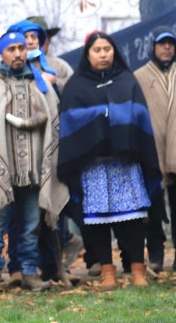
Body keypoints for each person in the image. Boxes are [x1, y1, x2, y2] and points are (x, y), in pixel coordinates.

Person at [0, 31, 68, 295]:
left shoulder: (39, 81)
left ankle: (29, 272)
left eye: (21, 48)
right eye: (12, 49)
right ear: (2, 53)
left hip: (33, 169)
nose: (18, 53)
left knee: (31, 224)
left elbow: (54, 115)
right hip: (0, 169)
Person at [58, 32, 162, 290]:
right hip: (93, 167)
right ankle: (108, 274)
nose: (103, 54)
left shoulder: (127, 80)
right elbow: (71, 120)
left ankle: (138, 271)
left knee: (132, 219)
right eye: (97, 49)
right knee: (97, 222)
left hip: (125, 164)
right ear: (88, 54)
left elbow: (139, 116)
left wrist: (111, 116)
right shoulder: (76, 85)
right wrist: (102, 115)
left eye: (107, 48)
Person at [133, 26, 176, 273]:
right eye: (162, 43)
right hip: (150, 151)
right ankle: (156, 254)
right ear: (152, 47)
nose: (167, 48)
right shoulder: (139, 76)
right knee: (152, 207)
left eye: (171, 43)